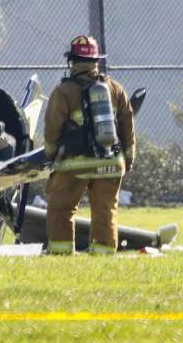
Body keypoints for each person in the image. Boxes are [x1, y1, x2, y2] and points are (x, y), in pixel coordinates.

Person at [43, 35, 135, 255]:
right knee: (105, 211)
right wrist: (128, 159)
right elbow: (128, 127)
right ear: (96, 61)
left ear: (72, 62)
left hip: (74, 164)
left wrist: (51, 155)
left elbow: (52, 127)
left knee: (61, 208)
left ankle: (61, 253)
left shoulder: (63, 92)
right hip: (111, 161)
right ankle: (103, 254)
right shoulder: (115, 89)